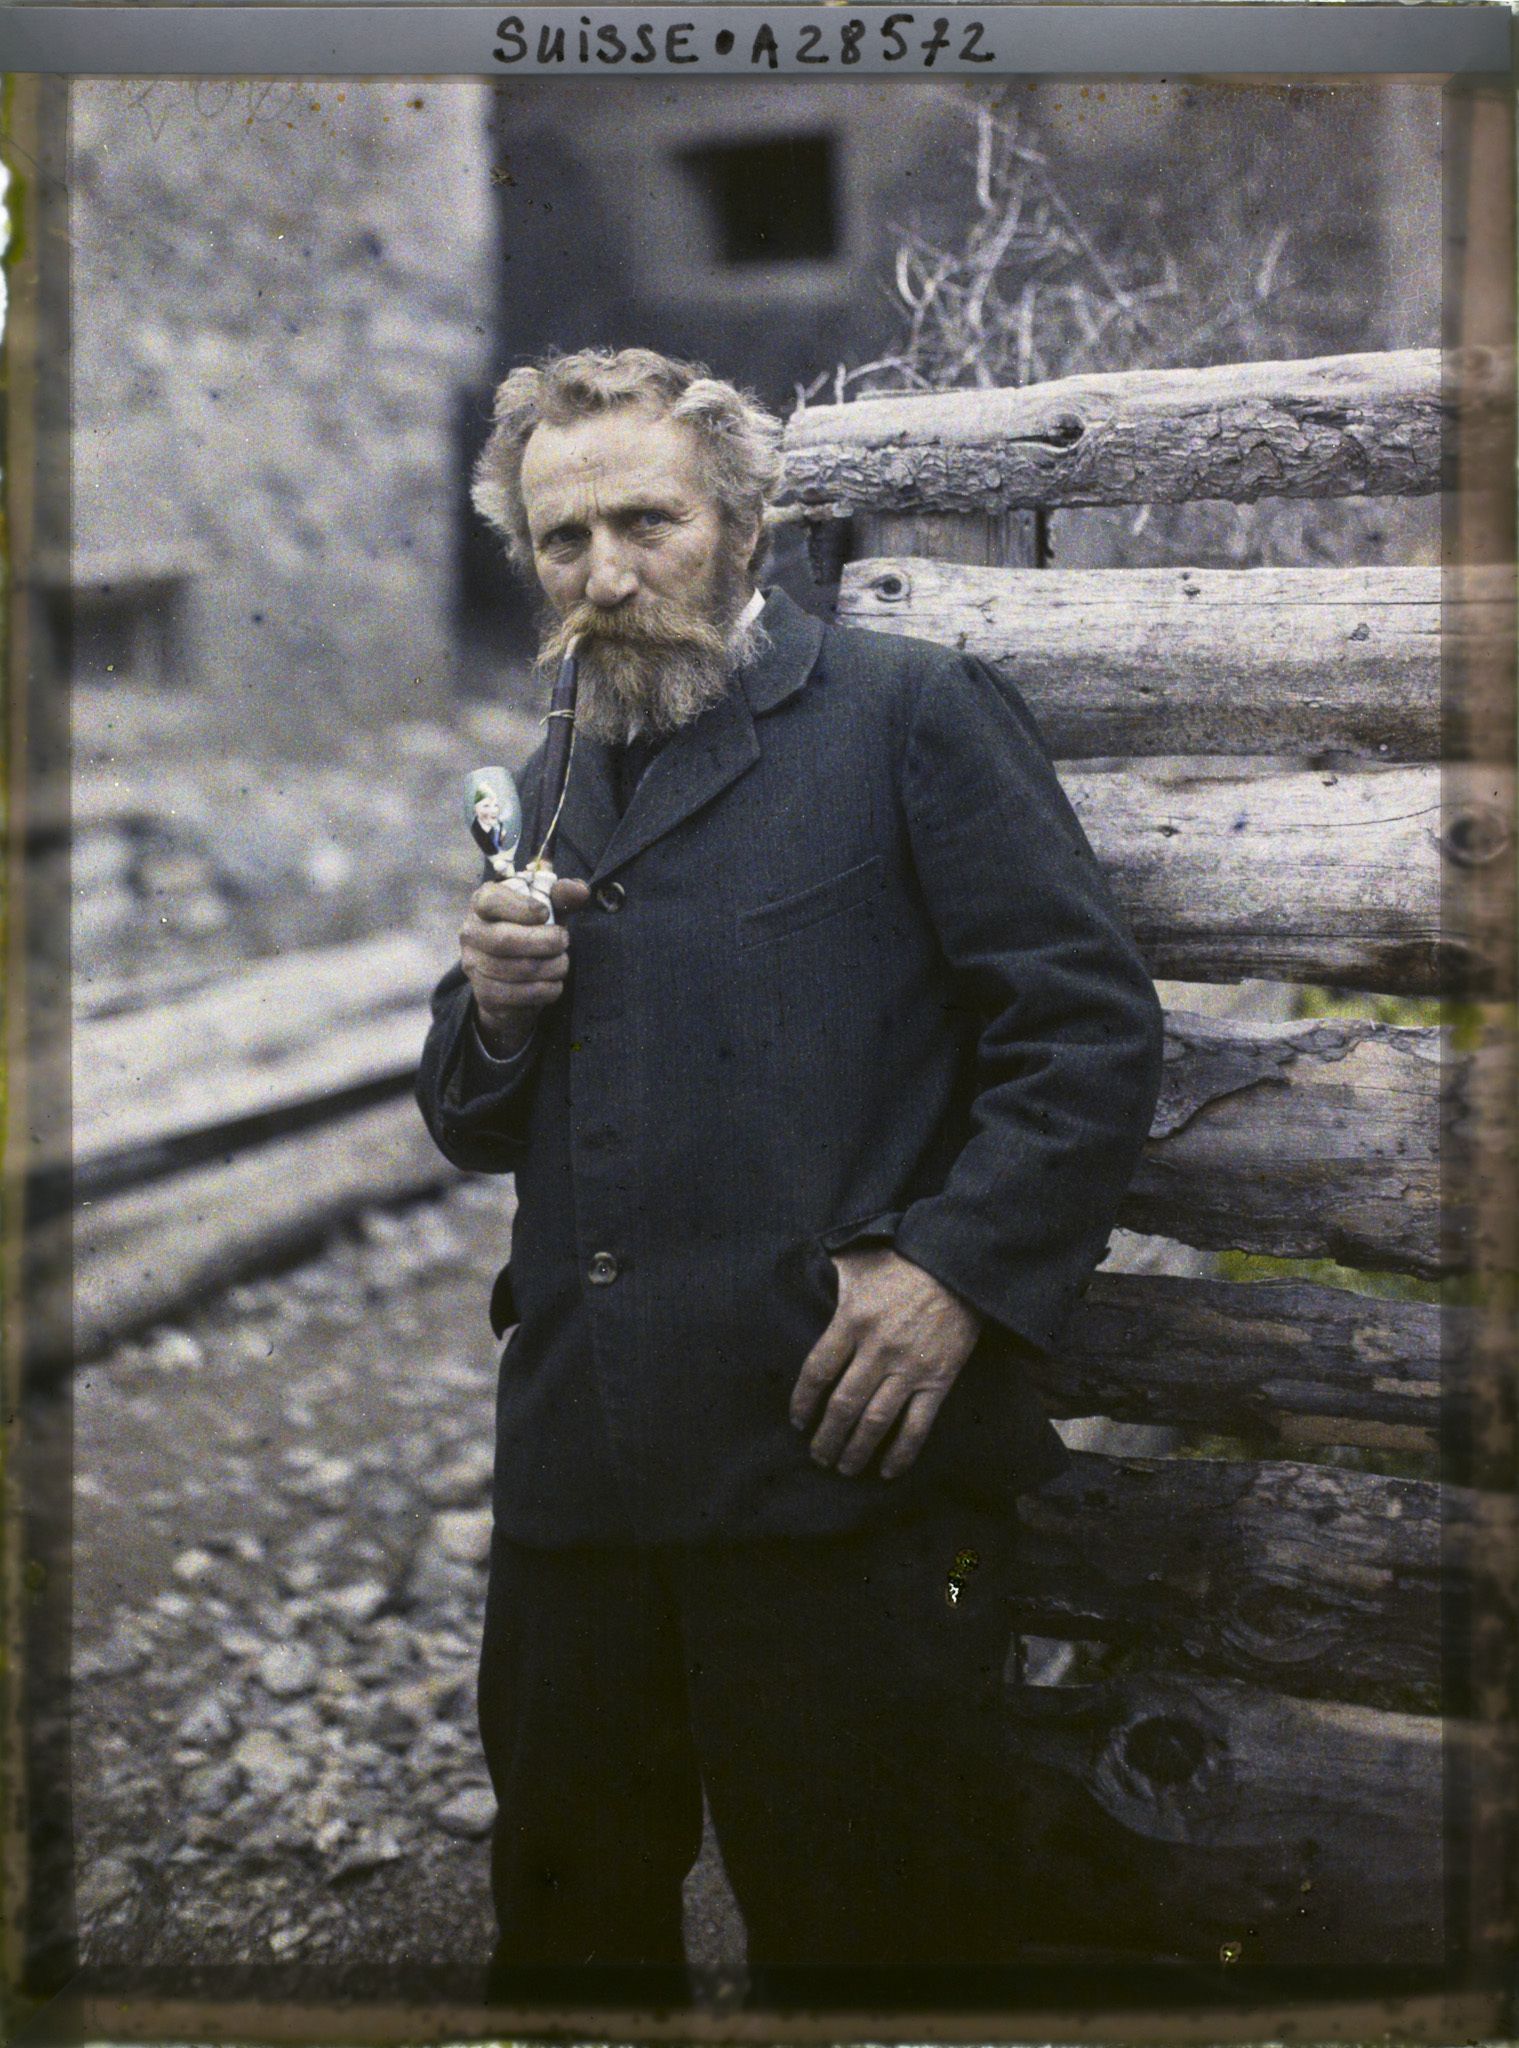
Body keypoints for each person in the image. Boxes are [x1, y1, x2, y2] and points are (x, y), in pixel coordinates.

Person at [416, 347, 1165, 2004]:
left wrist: (958, 1272)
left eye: (646, 523)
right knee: (569, 1955)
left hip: (832, 1475)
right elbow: (468, 1116)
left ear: (745, 527)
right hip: (580, 1486)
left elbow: (1088, 1031)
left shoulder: (907, 716)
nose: (603, 577)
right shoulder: (548, 771)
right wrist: (493, 1010)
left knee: (876, 1962)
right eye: (560, 542)